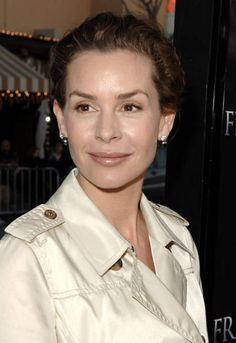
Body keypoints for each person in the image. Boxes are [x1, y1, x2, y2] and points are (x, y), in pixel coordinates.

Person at [0, 12, 208, 343]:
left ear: (165, 121)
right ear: (62, 118)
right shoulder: (28, 259)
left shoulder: (178, 238)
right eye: (86, 107)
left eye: (130, 107)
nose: (106, 132)